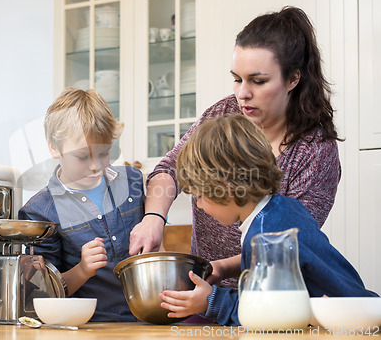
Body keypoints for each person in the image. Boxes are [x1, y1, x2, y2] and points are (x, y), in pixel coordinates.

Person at [129, 6, 342, 289]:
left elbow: (287, 245)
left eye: (258, 81)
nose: (243, 94)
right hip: (205, 293)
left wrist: (221, 269)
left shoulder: (315, 152)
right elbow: (170, 168)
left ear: (293, 78)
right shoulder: (223, 113)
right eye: (237, 78)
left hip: (269, 298)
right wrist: (154, 217)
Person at [158, 114, 378, 326]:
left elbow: (268, 315)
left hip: (348, 325)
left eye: (199, 194)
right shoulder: (280, 210)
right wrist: (226, 270)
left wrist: (211, 301)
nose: (199, 205)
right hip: (361, 309)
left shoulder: (266, 234)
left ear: (225, 189)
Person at [18, 88, 144, 322]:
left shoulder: (133, 182)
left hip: (149, 322)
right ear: (54, 148)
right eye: (83, 157)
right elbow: (42, 296)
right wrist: (83, 269)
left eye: (104, 153)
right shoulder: (40, 212)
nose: (95, 166)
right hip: (92, 327)